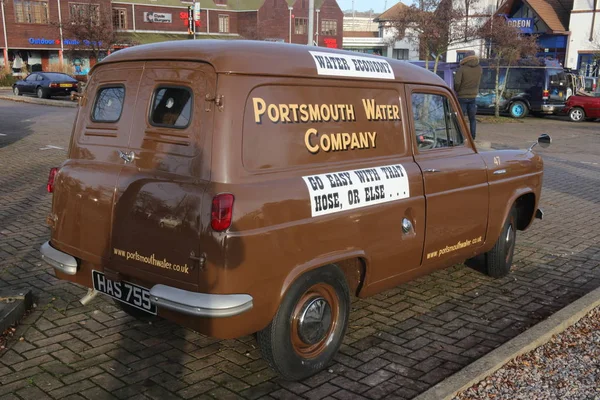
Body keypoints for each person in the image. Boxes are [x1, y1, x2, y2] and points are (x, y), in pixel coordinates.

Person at [454, 51, 482, 140]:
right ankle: (472, 137)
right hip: (473, 97)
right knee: (472, 119)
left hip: (462, 97)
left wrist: (457, 90)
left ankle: (461, 137)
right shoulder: (479, 68)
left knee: (460, 118)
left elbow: (457, 82)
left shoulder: (462, 68)